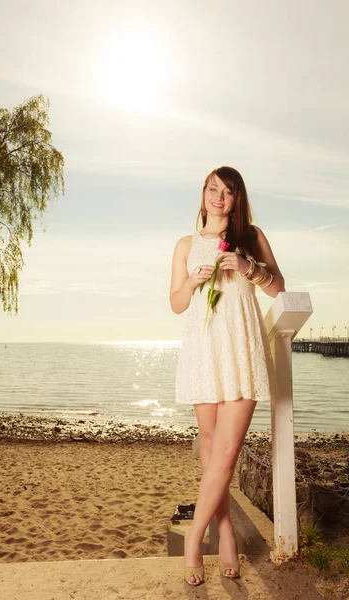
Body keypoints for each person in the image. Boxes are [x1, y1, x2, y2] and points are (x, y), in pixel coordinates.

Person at [169, 166, 285, 585]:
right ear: (203, 194)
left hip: (242, 347)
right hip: (205, 351)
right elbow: (177, 304)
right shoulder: (185, 244)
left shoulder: (250, 236)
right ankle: (225, 534)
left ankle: (193, 539)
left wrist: (247, 266)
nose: (219, 197)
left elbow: (277, 287)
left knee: (227, 452)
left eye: (228, 192)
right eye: (213, 189)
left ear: (237, 199)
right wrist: (195, 280)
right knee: (212, 448)